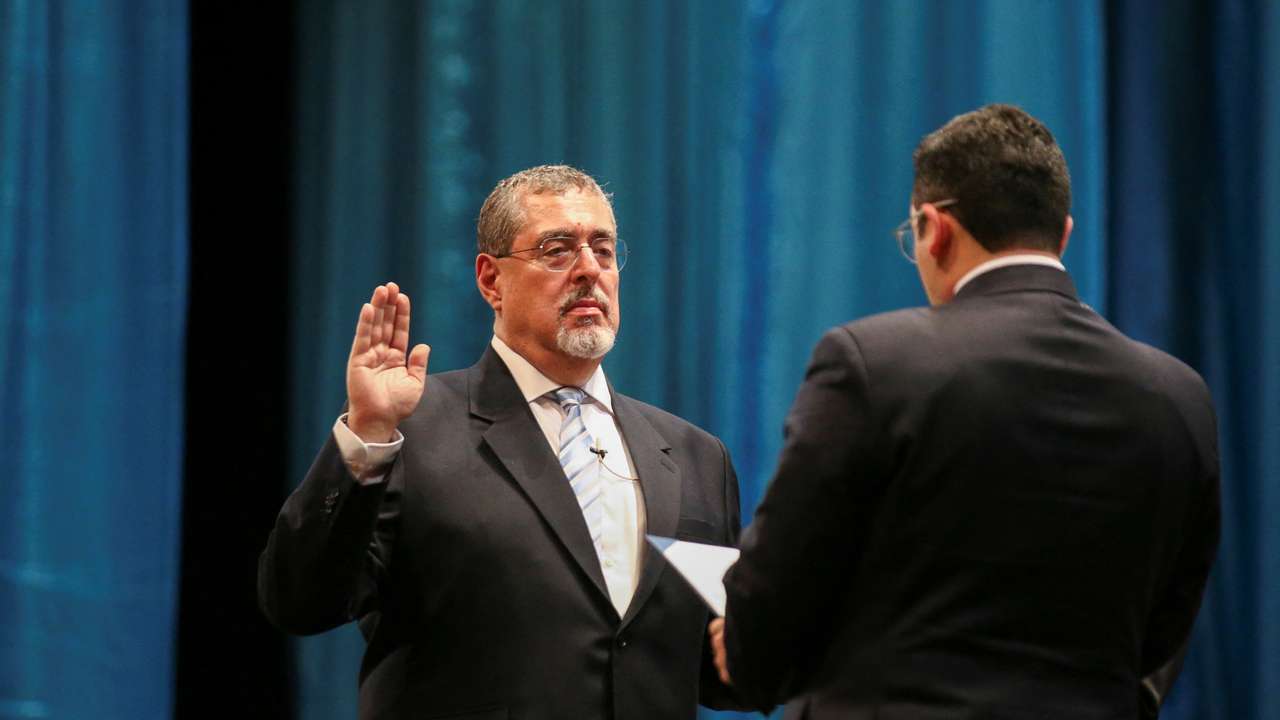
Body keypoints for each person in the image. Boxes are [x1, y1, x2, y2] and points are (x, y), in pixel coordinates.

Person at [710, 105, 1220, 719]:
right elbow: (1167, 625)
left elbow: (780, 588)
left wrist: (744, 651)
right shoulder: (1179, 394)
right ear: (1062, 234)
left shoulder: (875, 364)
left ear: (935, 228)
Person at [259, 165, 744, 719]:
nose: (589, 270)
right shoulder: (408, 431)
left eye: (603, 251)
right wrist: (366, 437)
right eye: (557, 250)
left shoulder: (694, 455)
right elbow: (300, 602)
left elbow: (723, 671)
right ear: (492, 280)